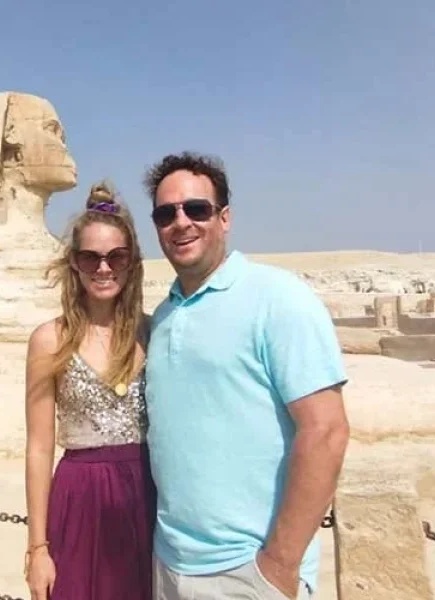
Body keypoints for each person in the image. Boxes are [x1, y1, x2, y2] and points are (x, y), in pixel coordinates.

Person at [142, 151, 350, 600]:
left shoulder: (278, 298)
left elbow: (327, 430)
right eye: (166, 213)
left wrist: (279, 563)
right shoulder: (162, 317)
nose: (181, 222)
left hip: (248, 570)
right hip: (169, 564)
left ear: (225, 217)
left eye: (196, 209)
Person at [24, 180, 156, 600]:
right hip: (78, 499)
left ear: (132, 262)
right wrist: (37, 548)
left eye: (116, 256)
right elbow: (39, 448)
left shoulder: (154, 332)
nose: (104, 268)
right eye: (90, 257)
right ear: (74, 264)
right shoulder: (49, 340)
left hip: (147, 497)